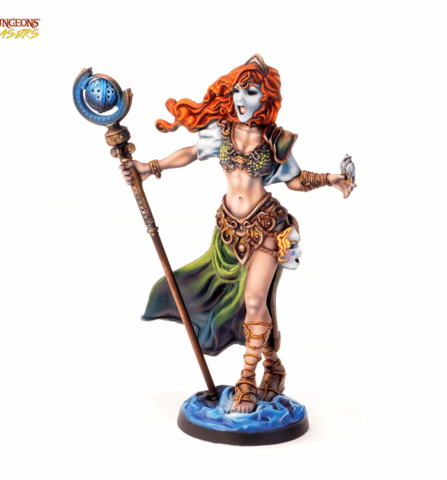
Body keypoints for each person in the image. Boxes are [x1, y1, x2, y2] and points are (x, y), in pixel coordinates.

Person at [119, 54, 355, 414]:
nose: (241, 99)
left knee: (255, 301)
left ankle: (246, 382)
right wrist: (150, 167)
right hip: (228, 231)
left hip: (269, 228)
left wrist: (330, 179)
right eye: (237, 91)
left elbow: (295, 179)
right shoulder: (222, 131)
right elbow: (190, 153)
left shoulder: (277, 140)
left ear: (267, 99)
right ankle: (273, 366)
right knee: (232, 300)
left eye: (251, 92)